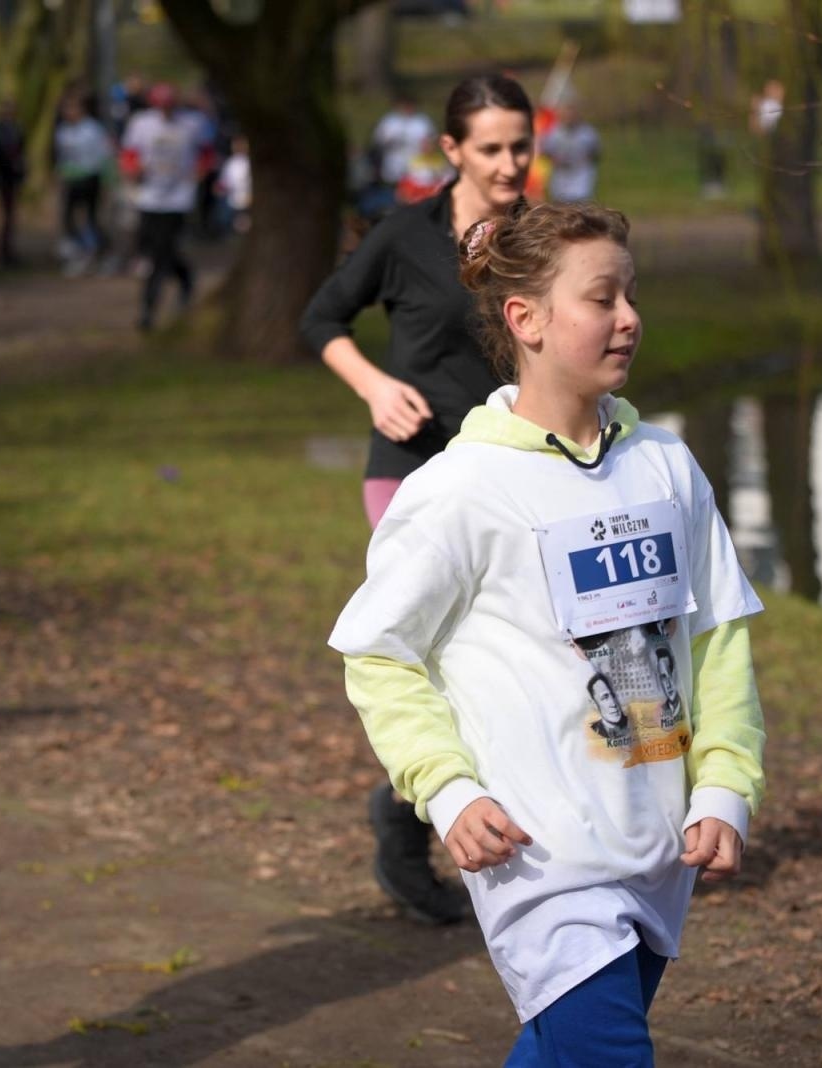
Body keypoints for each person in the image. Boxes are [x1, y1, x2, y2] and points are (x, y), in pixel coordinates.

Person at [329, 201, 766, 1064]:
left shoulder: (666, 466)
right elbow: (379, 655)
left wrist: (724, 783)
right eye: (602, 299)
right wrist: (449, 790)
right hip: (541, 859)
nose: (629, 317)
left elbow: (717, 639)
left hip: (659, 847)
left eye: (631, 295)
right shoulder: (462, 487)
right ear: (525, 320)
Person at [300, 73, 537, 926]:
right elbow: (321, 320)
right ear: (451, 150)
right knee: (444, 657)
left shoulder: (542, 241)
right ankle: (412, 826)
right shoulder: (405, 235)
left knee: (505, 658)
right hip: (409, 475)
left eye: (521, 145)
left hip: (508, 474)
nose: (509, 164)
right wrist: (374, 387)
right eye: (490, 148)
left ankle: (428, 815)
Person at [120, 81, 210, 331]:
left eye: (169, 106)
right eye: (161, 106)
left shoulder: (193, 123)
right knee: (156, 248)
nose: (165, 111)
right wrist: (132, 170)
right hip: (149, 196)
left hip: (178, 198)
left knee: (159, 254)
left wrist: (200, 173)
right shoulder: (141, 123)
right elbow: (129, 153)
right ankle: (185, 279)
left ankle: (148, 310)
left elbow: (206, 152)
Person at [53, 90, 114, 275]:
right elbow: (62, 157)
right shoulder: (63, 131)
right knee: (68, 218)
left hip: (90, 178)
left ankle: (104, 254)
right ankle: (80, 253)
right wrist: (60, 175)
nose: (68, 112)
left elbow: (104, 155)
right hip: (71, 179)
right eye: (66, 108)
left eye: (72, 108)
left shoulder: (92, 129)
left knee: (91, 218)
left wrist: (107, 180)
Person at [371, 91, 437, 209]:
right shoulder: (389, 121)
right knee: (394, 193)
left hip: (417, 165)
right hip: (393, 164)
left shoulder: (422, 121)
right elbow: (378, 141)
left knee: (414, 193)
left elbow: (430, 141)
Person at [0, 97, 27, 269]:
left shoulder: (16, 129)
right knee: (3, 217)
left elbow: (21, 153)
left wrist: (21, 174)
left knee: (10, 217)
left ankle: (7, 252)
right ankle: (1, 253)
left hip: (12, 179)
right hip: (1, 179)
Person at [541, 101, 601, 203]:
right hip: (560, 182)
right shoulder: (554, 132)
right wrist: (554, 159)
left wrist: (585, 160)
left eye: (571, 113)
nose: (569, 116)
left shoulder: (587, 133)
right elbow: (545, 151)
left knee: (581, 208)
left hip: (581, 181)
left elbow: (596, 152)